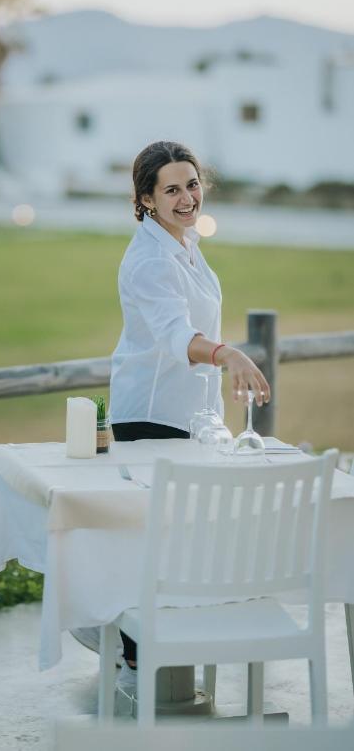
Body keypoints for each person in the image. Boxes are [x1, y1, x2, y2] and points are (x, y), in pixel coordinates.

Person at [107, 139, 271, 692]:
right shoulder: (152, 259)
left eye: (193, 184)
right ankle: (135, 664)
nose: (187, 198)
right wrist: (228, 354)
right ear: (145, 199)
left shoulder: (183, 243)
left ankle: (169, 657)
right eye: (172, 189)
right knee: (153, 544)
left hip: (190, 415)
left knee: (184, 540)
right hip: (152, 416)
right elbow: (177, 336)